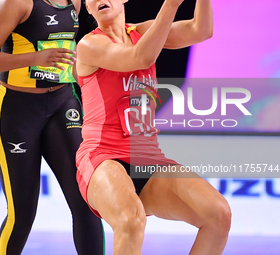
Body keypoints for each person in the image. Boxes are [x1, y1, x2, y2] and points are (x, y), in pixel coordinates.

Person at [75, 0, 232, 254]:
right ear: (88, 8)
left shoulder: (143, 32)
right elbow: (141, 57)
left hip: (148, 158)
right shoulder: (89, 44)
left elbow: (201, 30)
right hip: (102, 156)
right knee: (131, 221)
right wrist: (170, 5)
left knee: (218, 214)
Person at [0, 0, 104, 254]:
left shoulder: (76, 1)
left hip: (63, 103)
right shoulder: (15, 3)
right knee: (22, 215)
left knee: (88, 204)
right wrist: (37, 58)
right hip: (15, 110)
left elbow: (69, 57)